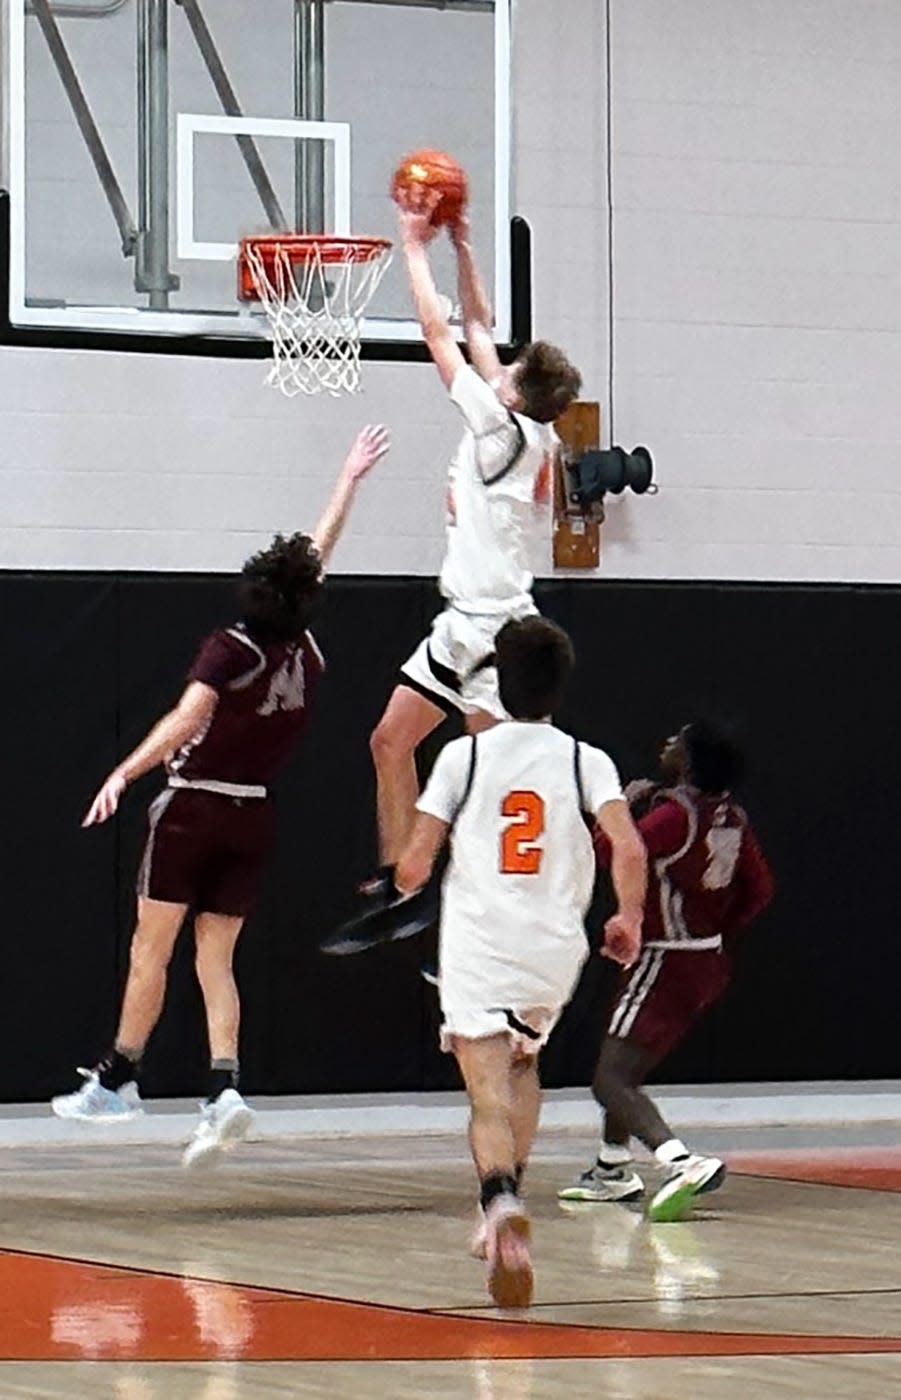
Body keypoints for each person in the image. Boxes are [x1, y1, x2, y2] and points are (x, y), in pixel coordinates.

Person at [52, 425, 391, 1169]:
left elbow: (184, 718)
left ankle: (117, 1079)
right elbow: (315, 557)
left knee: (152, 950)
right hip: (253, 813)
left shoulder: (232, 646)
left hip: (193, 808)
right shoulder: (302, 647)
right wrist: (347, 480)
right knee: (218, 960)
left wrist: (123, 773)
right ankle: (225, 1089)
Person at [393, 616, 647, 1307]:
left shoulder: (463, 758)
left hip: (481, 943)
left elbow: (415, 864)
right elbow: (627, 846)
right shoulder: (585, 760)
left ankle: (498, 1197)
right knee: (523, 1061)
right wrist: (626, 915)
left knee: (484, 1087)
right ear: (559, 686)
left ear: (498, 684)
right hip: (553, 950)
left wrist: (396, 881)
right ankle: (502, 1205)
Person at [368, 197, 582, 876]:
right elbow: (480, 323)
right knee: (389, 741)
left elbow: (440, 334)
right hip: (460, 621)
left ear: (514, 396)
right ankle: (403, 881)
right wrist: (462, 246)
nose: (501, 368)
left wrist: (412, 246)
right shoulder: (526, 425)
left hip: (498, 633)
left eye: (510, 373)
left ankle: (476, 898)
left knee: (486, 778)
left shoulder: (498, 429)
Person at [558, 720, 774, 1222]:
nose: (666, 744)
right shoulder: (731, 817)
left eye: (677, 740)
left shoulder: (674, 816)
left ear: (690, 762)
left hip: (666, 955)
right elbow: (759, 890)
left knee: (609, 1079)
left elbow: (612, 853)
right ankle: (612, 1169)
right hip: (703, 956)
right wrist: (714, 926)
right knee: (625, 1067)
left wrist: (624, 811)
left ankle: (681, 1161)